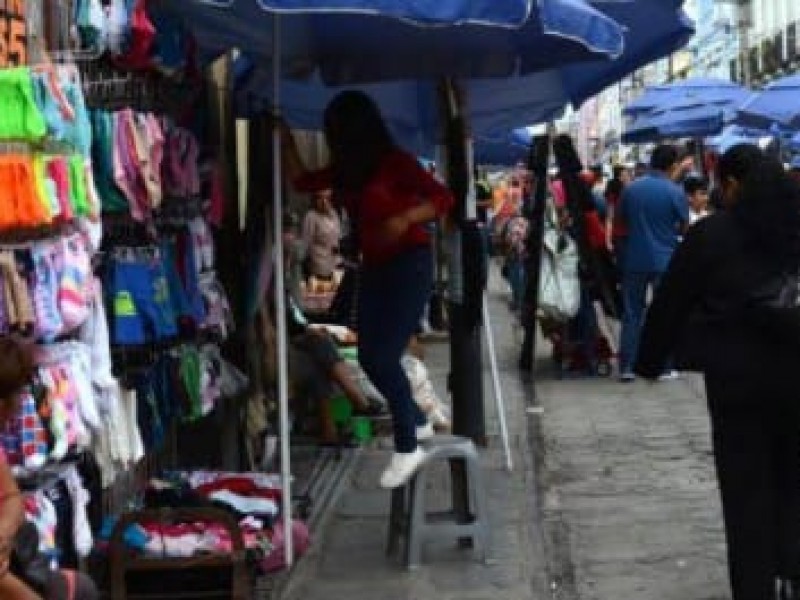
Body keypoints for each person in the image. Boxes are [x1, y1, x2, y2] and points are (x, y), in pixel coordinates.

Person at [634, 144, 800, 600]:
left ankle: (755, 587)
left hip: (737, 385)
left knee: (746, 494)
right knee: (793, 480)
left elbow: (671, 302)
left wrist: (649, 361)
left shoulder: (713, 235)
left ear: (730, 185)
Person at [279, 90, 454, 488]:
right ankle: (418, 419)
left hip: (409, 264)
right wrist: (285, 140)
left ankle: (408, 445)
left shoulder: (396, 164)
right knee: (371, 358)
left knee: (383, 355)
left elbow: (442, 198)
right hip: (374, 267)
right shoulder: (347, 171)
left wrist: (405, 217)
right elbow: (302, 179)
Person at [617, 144, 689, 382]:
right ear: (672, 166)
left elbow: (621, 221)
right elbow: (684, 226)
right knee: (664, 313)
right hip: (665, 260)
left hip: (634, 258)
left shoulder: (631, 190)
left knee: (632, 314)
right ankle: (664, 367)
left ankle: (627, 367)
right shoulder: (675, 191)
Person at [301, 188, 341, 280]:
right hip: (319, 268)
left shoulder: (334, 214)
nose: (324, 202)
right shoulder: (311, 216)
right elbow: (305, 244)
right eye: (320, 198)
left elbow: (337, 238)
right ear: (315, 200)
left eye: (327, 198)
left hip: (335, 265)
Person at [604, 164, 631, 271]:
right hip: (622, 234)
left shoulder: (630, 192)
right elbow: (609, 218)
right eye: (626, 175)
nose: (629, 177)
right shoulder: (615, 196)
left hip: (625, 234)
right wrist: (608, 239)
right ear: (620, 177)